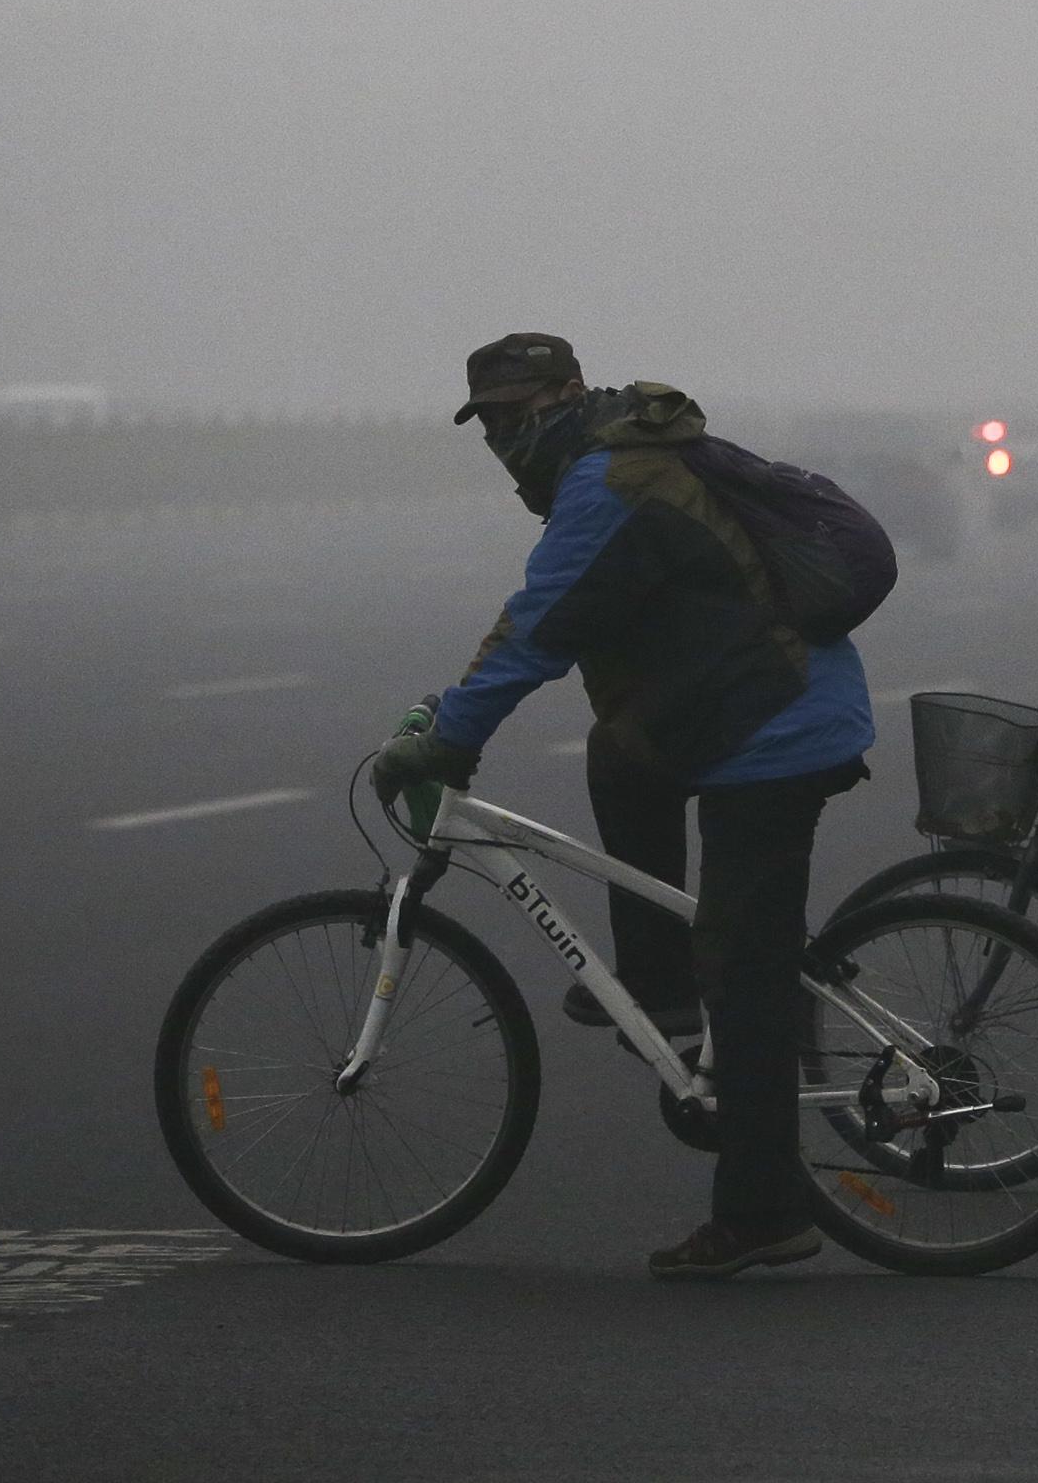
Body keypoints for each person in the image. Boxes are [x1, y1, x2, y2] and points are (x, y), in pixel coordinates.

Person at [366, 331, 876, 1281]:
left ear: (567, 393)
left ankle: (764, 1211)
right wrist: (457, 713)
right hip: (734, 714)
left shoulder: (608, 482)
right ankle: (662, 987)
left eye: (519, 412)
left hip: (775, 729)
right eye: (490, 422)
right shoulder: (610, 463)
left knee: (747, 968)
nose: (505, 436)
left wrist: (451, 736)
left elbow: (539, 628)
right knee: (617, 757)